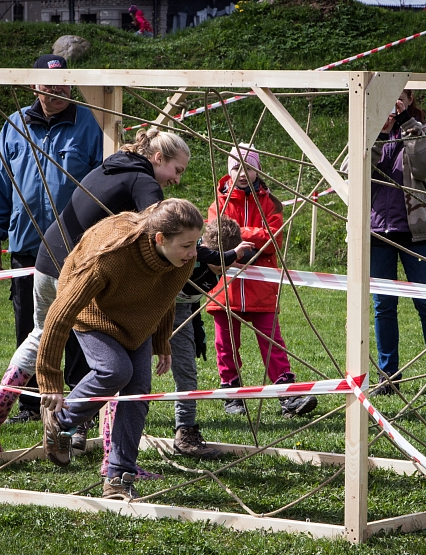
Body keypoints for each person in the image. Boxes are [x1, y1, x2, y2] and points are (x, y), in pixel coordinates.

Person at [0, 128, 190, 454]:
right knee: (116, 354)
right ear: (158, 158)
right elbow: (161, 233)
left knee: (40, 335)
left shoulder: (112, 165)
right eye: (177, 170)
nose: (176, 179)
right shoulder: (144, 182)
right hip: (79, 269)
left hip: (47, 259)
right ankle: (103, 454)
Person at [37, 199, 204, 501]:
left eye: (196, 244)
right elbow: (60, 313)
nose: (194, 253)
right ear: (160, 239)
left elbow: (164, 295)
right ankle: (59, 422)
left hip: (135, 320)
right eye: (187, 245)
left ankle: (119, 476)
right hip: (91, 311)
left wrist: (162, 339)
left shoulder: (182, 259)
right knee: (115, 371)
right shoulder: (112, 255)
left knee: (139, 391)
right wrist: (49, 379)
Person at [0, 54, 103, 426]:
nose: (56, 88)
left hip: (77, 246)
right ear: (33, 85)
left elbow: (103, 182)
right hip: (26, 244)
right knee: (30, 326)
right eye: (48, 83)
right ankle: (30, 405)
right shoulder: (15, 125)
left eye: (63, 82)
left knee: (81, 324)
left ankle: (78, 404)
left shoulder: (89, 124)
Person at [354, 89, 426, 398]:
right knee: (384, 305)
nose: (392, 104)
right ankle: (388, 375)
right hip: (376, 231)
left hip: (417, 233)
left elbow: (425, 167)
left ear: (409, 100)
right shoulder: (365, 131)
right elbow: (350, 173)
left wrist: (408, 125)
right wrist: (375, 133)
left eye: (400, 98)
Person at [206, 145, 317, 418]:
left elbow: (273, 238)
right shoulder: (217, 204)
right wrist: (250, 238)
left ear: (258, 169)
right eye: (236, 167)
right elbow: (216, 238)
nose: (243, 173)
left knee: (272, 343)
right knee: (225, 344)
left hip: (262, 289)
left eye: (249, 167)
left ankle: (286, 394)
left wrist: (238, 235)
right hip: (225, 291)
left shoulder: (270, 203)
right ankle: (231, 392)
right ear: (228, 171)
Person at [171, 218, 254, 458]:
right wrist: (225, 255)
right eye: (219, 263)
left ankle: (184, 431)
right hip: (152, 309)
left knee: (187, 372)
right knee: (138, 374)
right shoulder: (191, 254)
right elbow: (198, 251)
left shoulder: (224, 261)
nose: (223, 268)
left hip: (183, 314)